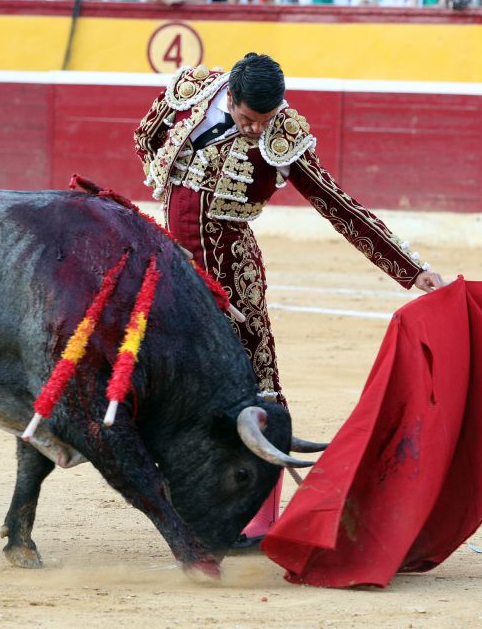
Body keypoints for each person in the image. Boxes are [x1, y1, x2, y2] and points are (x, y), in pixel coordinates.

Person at [133, 53, 445, 546]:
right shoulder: (193, 89)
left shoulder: (285, 134)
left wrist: (411, 269)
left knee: (256, 380)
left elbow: (337, 205)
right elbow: (145, 136)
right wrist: (172, 189)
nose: (257, 130)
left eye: (266, 119)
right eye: (248, 119)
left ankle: (258, 514)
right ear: (230, 97)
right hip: (173, 263)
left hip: (231, 269)